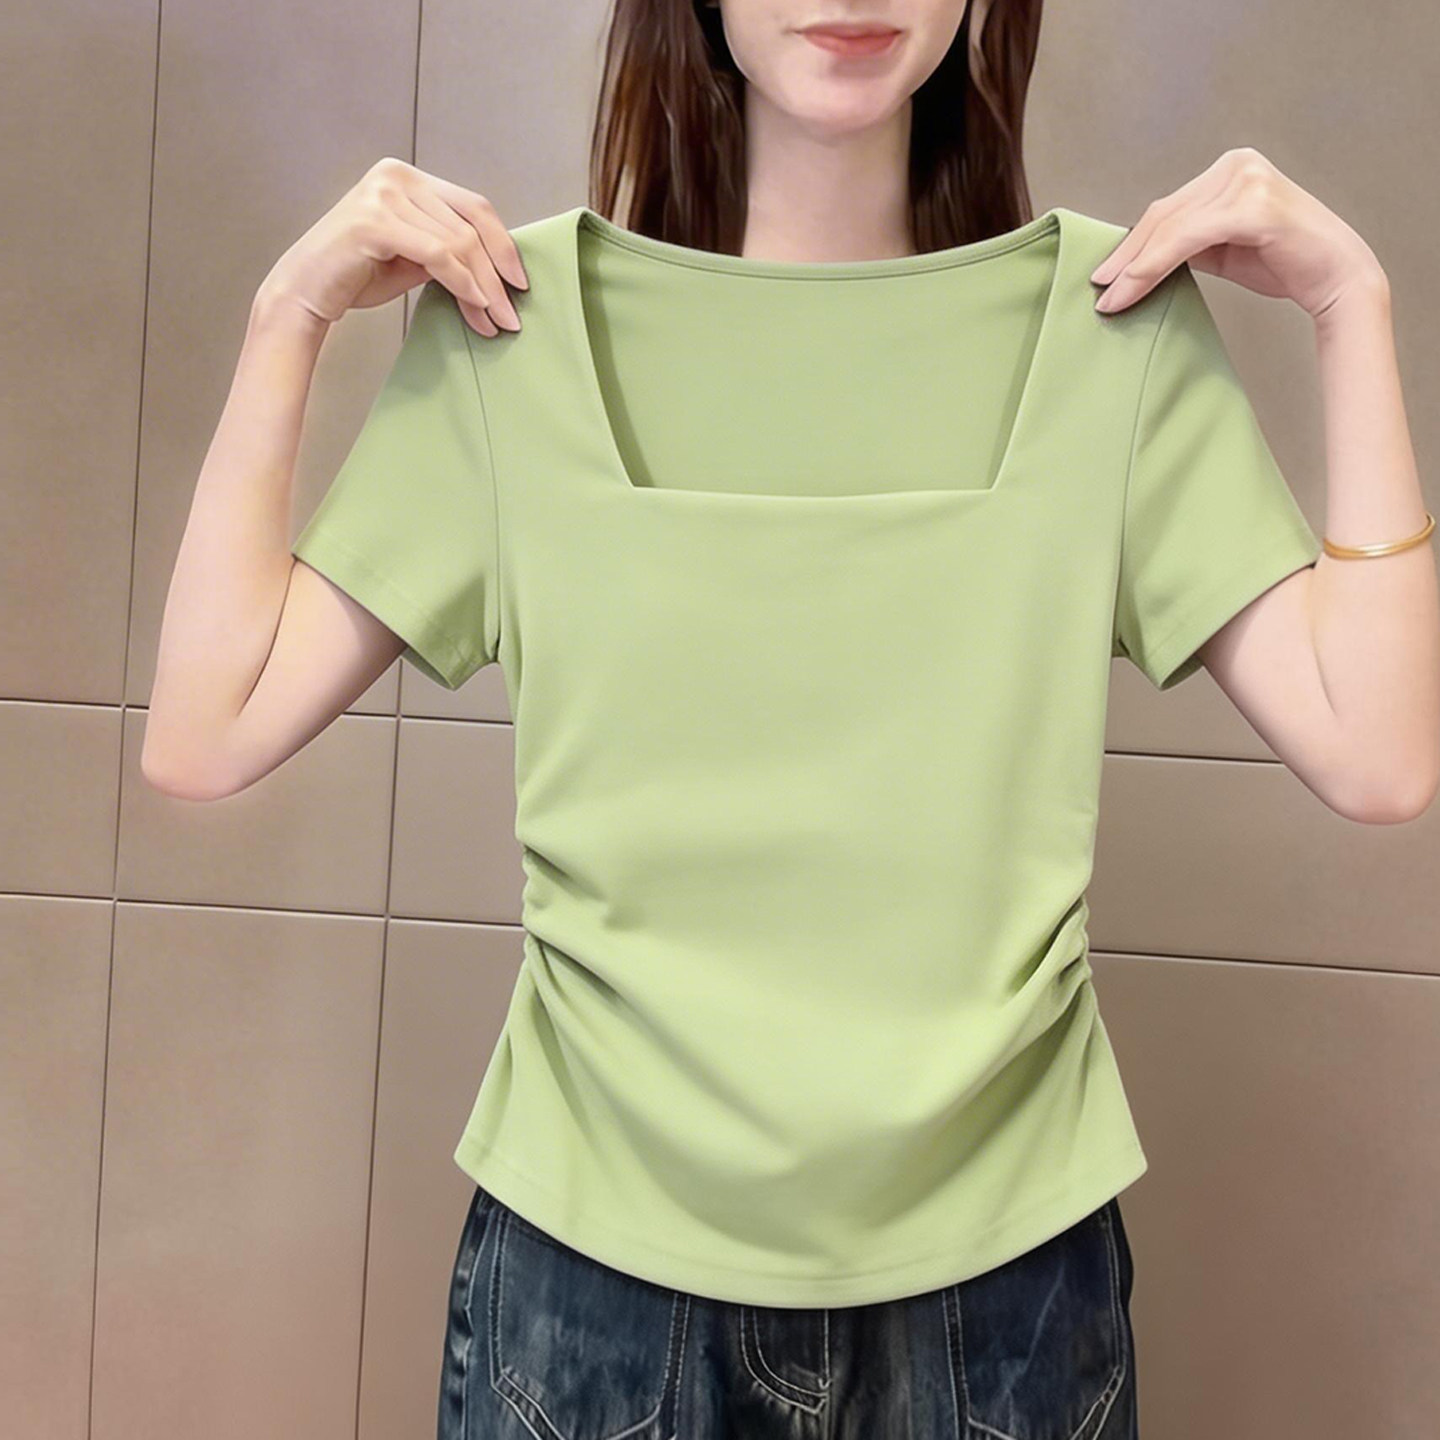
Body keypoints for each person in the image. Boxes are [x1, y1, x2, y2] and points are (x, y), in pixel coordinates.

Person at [144, 1, 1438, 1436]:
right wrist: (289, 316)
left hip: (1000, 1301)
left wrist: (1352, 305)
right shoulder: (514, 332)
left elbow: (1379, 757)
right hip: (593, 1299)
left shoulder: (1113, 336)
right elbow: (207, 730)